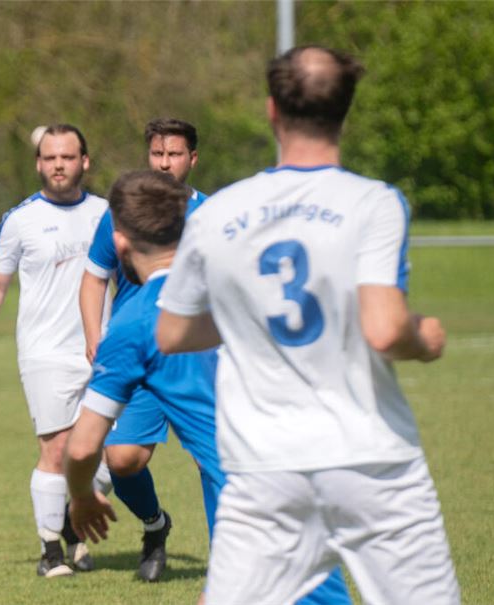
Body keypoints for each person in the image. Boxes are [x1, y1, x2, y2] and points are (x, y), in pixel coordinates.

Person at [155, 46, 460, 604]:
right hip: (371, 459)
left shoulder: (218, 212)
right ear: (346, 112)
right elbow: (387, 330)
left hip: (264, 466)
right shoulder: (375, 202)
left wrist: (248, 319)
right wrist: (427, 336)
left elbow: (173, 333)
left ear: (273, 111)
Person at [64, 169, 350, 604]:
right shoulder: (245, 284)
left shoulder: (133, 325)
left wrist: (83, 496)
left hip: (254, 495)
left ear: (119, 241)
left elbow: (84, 447)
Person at [0, 124, 113, 578]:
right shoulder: (20, 219)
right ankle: (52, 552)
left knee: (112, 455)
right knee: (57, 451)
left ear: (84, 162)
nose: (58, 164)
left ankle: (72, 525)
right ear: (39, 164)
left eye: (67, 156)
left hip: (104, 351)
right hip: (45, 353)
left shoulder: (108, 213)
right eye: (50, 157)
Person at [76, 118, 206, 581]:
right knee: (123, 459)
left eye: (174, 154)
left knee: (210, 457)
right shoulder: (123, 213)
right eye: (157, 154)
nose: (165, 163)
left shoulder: (211, 216)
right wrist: (95, 335)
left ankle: (234, 558)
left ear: (193, 158)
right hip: (139, 353)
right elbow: (93, 278)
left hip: (198, 354)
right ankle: (155, 525)